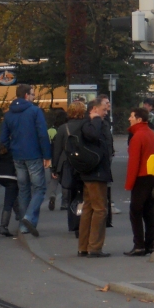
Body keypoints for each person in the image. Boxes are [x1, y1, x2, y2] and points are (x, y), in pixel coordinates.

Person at [0, 84, 52, 237]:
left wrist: (13, 148)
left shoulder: (8, 114)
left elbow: (3, 139)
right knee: (40, 188)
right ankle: (28, 217)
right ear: (26, 95)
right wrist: (47, 155)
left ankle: (23, 226)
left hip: (17, 156)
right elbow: (43, 134)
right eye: (32, 94)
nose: (34, 96)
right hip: (34, 155)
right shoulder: (35, 111)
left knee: (23, 189)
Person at [77, 95, 113, 257]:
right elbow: (92, 135)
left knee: (89, 208)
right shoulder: (91, 123)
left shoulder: (89, 123)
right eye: (103, 109)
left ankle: (84, 246)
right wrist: (97, 119)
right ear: (94, 109)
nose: (106, 112)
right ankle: (94, 247)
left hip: (91, 171)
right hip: (96, 172)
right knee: (99, 210)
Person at [52, 101, 87, 237]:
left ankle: (74, 223)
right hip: (84, 164)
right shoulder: (87, 126)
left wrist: (55, 168)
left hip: (68, 165)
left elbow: (57, 150)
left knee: (71, 195)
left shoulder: (63, 128)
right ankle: (84, 222)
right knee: (84, 195)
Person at [124, 107, 154, 257]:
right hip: (152, 176)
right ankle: (150, 244)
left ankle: (139, 245)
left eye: (131, 116)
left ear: (138, 119)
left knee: (135, 211)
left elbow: (133, 163)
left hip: (141, 177)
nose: (129, 119)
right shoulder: (152, 134)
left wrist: (129, 184)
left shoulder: (137, 136)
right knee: (149, 212)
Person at [0, 142, 20, 236]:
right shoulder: (18, 143)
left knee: (12, 194)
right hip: (11, 176)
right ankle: (3, 226)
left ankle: (19, 214)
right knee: (8, 202)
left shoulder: (2, 144)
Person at [45, 107, 68, 211]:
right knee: (65, 181)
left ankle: (52, 196)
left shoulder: (50, 130)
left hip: (52, 159)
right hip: (63, 160)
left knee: (54, 180)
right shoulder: (65, 130)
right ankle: (64, 202)